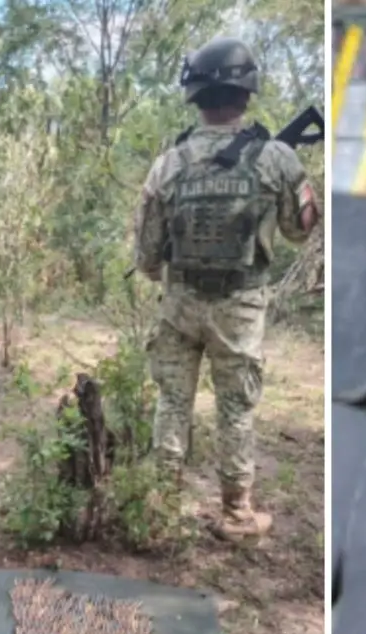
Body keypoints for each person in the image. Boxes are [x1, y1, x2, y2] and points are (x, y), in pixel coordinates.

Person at [132, 37, 319, 539]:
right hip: (240, 306)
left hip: (179, 303)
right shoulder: (276, 158)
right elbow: (300, 230)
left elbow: (146, 256)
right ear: (247, 91)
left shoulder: (168, 163)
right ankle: (237, 514)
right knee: (236, 410)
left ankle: (161, 510)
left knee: (172, 403)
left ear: (194, 95)